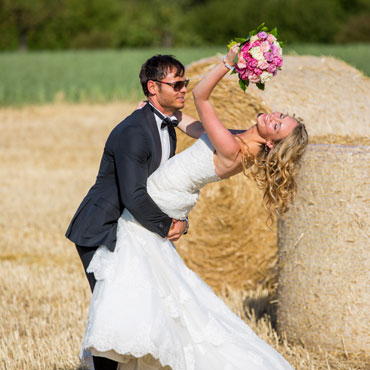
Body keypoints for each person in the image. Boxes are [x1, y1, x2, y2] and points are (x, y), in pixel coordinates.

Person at [80, 45, 308, 369]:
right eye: (281, 116)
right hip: (158, 208)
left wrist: (229, 62)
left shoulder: (232, 147)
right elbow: (191, 125)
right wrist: (153, 111)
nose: (274, 117)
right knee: (149, 296)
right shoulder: (232, 139)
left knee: (127, 294)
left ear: (271, 143)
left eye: (277, 126)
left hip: (148, 213)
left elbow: (201, 96)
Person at [66, 54, 204, 370]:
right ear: (153, 87)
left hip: (132, 227)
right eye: (177, 84)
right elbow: (134, 195)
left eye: (186, 83)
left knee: (138, 313)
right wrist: (168, 225)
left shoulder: (166, 123)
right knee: (115, 315)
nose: (184, 89)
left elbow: (161, 185)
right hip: (102, 228)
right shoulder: (134, 132)